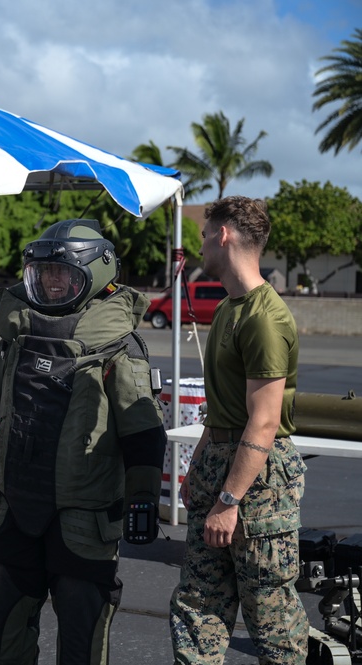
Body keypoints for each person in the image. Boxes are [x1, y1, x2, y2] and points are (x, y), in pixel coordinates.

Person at [0, 219, 166, 664]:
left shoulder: (118, 349)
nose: (51, 283)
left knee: (82, 639)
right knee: (5, 633)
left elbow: (143, 430)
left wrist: (142, 501)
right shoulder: (18, 339)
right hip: (16, 508)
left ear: (97, 273)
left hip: (83, 520)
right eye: (44, 273)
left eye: (62, 274)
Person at [170, 197, 307, 664]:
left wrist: (228, 501)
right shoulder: (231, 308)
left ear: (224, 235)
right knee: (197, 606)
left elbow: (264, 421)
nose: (202, 243)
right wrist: (199, 472)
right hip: (220, 468)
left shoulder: (265, 318)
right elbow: (222, 410)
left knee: (271, 620)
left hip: (257, 486)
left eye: (206, 234)